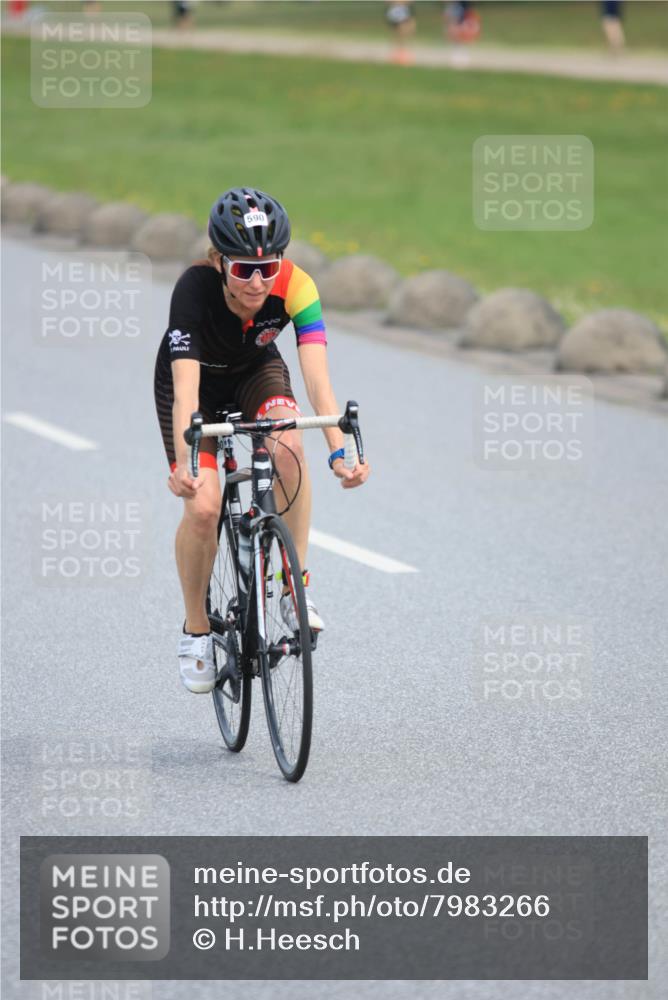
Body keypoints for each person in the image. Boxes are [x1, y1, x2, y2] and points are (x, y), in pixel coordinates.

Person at [154, 188, 370, 693]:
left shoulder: (297, 286)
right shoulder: (192, 290)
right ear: (217, 261)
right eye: (243, 269)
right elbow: (185, 386)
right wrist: (184, 463)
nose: (257, 281)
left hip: (256, 372)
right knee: (204, 508)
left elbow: (318, 382)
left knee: (291, 446)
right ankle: (196, 630)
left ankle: (293, 588)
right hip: (196, 389)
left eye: (268, 268)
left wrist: (340, 452)